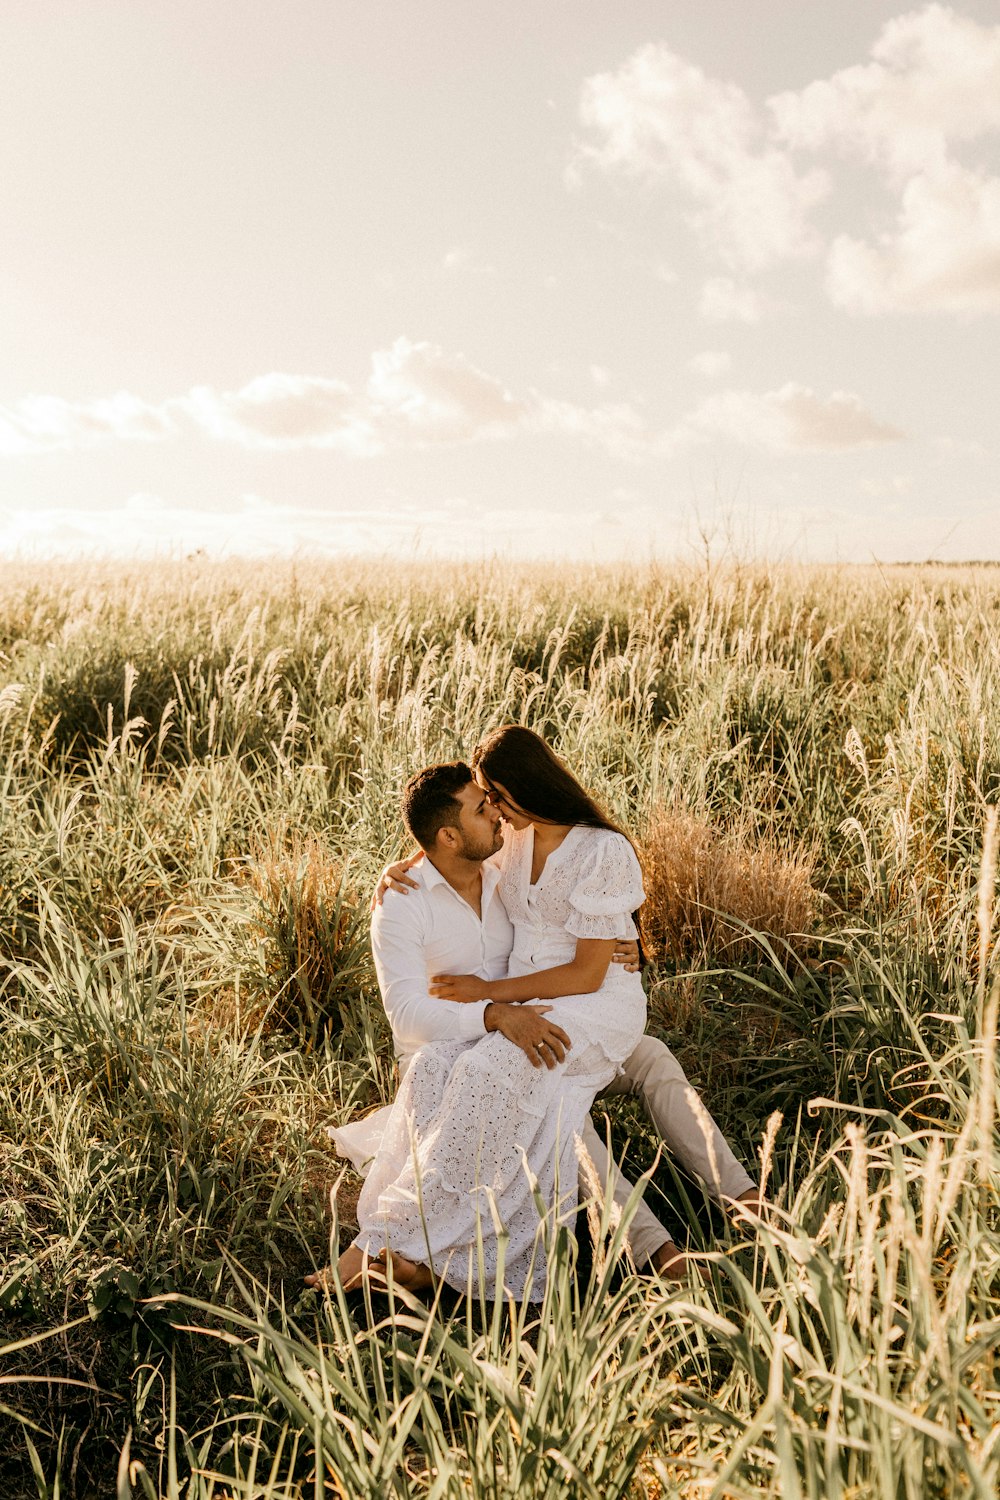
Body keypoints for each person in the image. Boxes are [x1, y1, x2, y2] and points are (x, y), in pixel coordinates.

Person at [309, 728, 755, 1298]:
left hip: (575, 1006)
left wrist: (491, 992)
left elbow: (586, 962)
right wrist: (408, 863)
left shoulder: (550, 847)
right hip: (514, 1021)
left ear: (519, 791)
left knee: (644, 1063)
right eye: (483, 803)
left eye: (494, 796)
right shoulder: (478, 863)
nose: (492, 811)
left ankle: (742, 1199)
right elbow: (453, 846)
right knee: (554, 1105)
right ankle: (657, 1252)